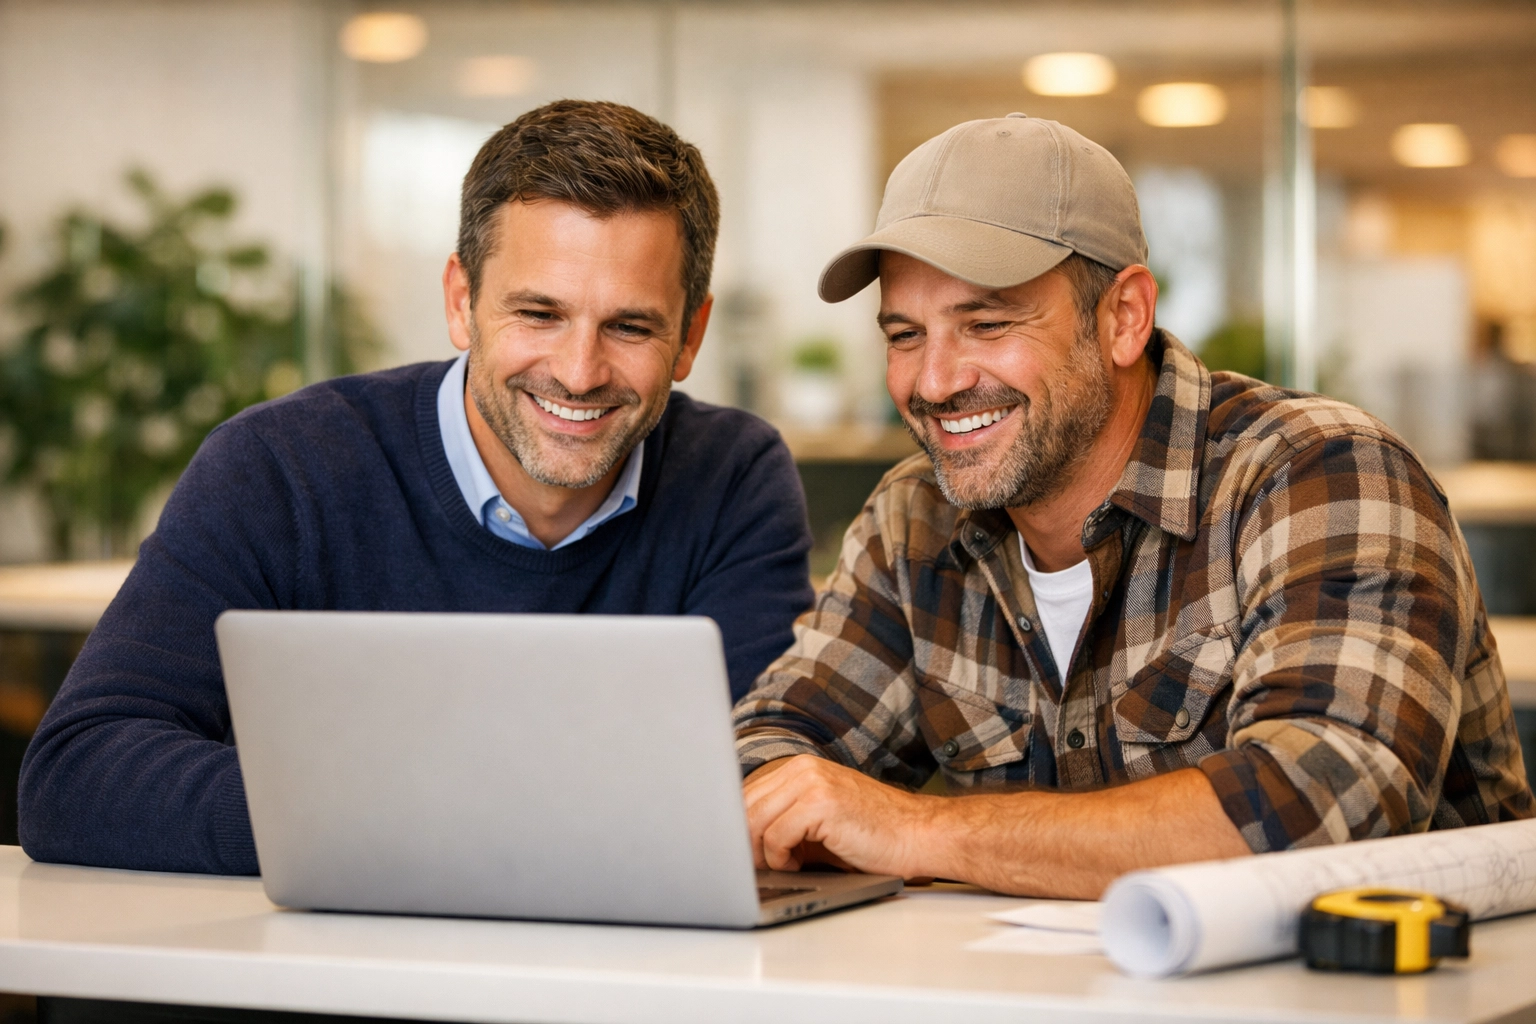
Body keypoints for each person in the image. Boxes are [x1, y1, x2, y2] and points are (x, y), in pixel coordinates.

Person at [734, 113, 1533, 899]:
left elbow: (1322, 805)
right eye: (905, 335)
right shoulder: (916, 518)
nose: (935, 382)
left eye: (986, 323)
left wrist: (920, 831)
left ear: (1124, 318)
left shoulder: (1322, 473)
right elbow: (768, 749)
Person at [21, 100, 814, 875]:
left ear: (691, 336)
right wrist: (413, 820)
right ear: (461, 302)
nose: (579, 371)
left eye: (630, 326)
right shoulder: (280, 467)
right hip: (321, 978)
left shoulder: (733, 477)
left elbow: (760, 785)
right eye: (538, 313)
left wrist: (422, 812)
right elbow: (76, 775)